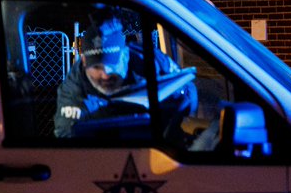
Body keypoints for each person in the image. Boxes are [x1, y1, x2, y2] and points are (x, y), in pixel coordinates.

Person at [54, 16, 197, 139]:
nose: (105, 75)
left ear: (125, 56)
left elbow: (190, 92)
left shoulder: (152, 61)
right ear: (84, 62)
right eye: (97, 67)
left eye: (112, 65)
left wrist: (171, 103)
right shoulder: (74, 87)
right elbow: (66, 135)